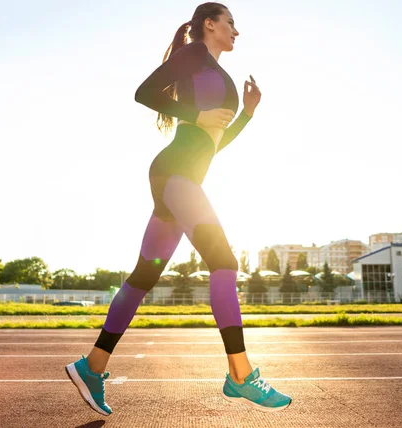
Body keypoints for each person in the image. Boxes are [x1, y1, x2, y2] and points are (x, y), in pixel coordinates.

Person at [65, 2, 292, 415]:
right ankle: (240, 374)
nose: (237, 31)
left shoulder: (214, 71)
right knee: (224, 262)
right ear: (209, 24)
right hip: (175, 175)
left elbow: (212, 143)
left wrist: (247, 115)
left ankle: (92, 366)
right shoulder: (193, 55)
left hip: (181, 176)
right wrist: (196, 113)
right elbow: (143, 93)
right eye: (230, 22)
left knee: (141, 279)